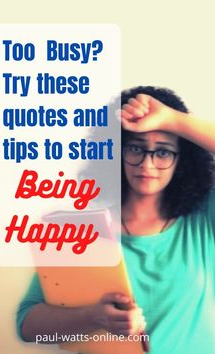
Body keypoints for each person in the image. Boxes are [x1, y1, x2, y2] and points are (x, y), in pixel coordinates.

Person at [17, 86, 215, 354]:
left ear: (183, 160)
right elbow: (27, 325)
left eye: (164, 152)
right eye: (135, 148)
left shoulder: (203, 218)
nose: (147, 165)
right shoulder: (80, 232)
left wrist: (172, 119)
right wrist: (92, 317)